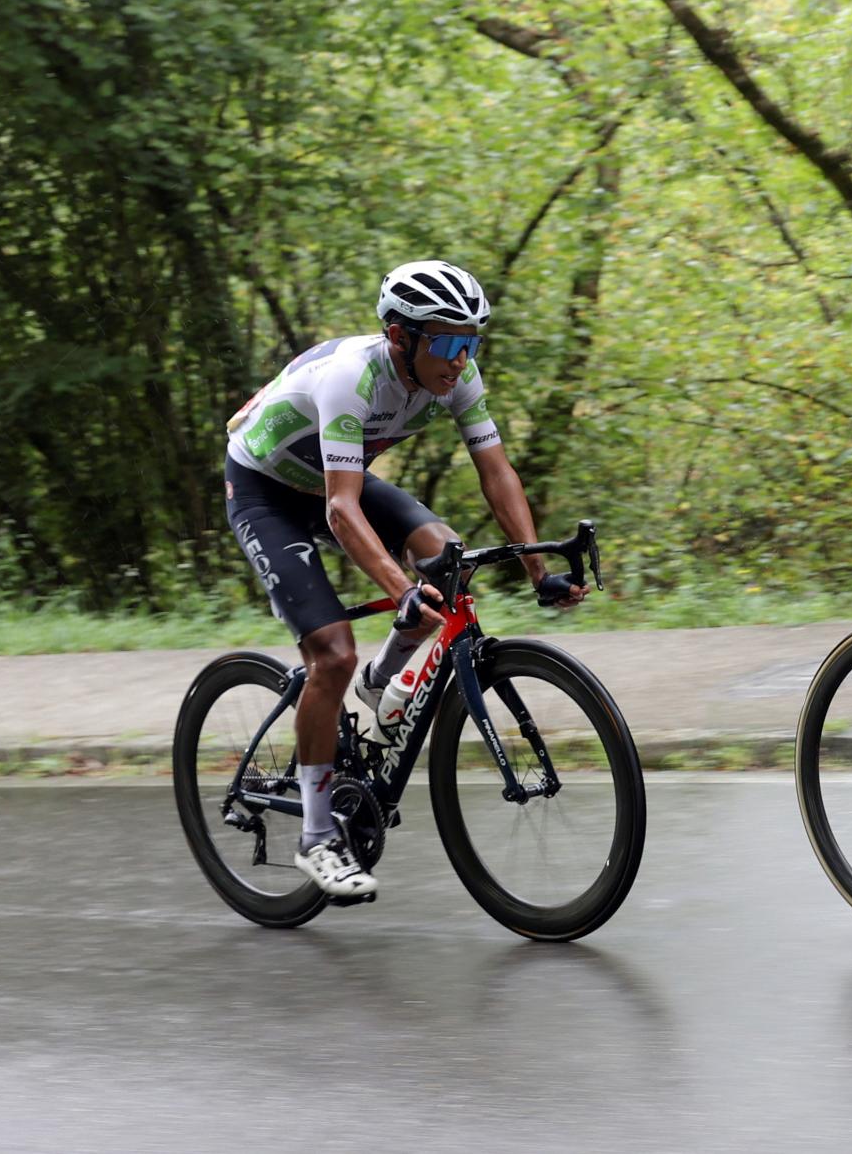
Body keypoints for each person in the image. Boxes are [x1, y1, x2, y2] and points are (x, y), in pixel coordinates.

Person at [222, 260, 586, 900]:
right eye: (447, 341)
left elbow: (496, 471)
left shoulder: (456, 375)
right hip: (267, 492)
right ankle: (315, 836)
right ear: (400, 338)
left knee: (449, 558)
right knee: (332, 650)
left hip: (336, 481)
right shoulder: (352, 379)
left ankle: (380, 679)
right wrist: (401, 588)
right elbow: (340, 510)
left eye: (471, 341)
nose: (460, 358)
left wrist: (538, 569)